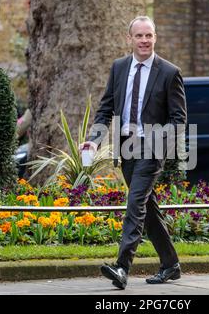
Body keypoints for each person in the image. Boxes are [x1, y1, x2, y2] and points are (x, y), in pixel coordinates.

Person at [79, 16, 187, 290]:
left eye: (149, 35)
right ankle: (170, 264)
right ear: (129, 39)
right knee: (147, 208)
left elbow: (179, 120)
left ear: (155, 37)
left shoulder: (169, 72)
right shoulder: (119, 68)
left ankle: (121, 267)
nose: (144, 41)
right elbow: (106, 109)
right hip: (126, 148)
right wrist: (93, 141)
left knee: (135, 202)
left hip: (152, 149)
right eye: (139, 36)